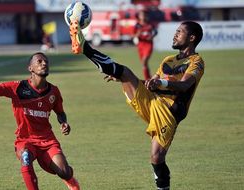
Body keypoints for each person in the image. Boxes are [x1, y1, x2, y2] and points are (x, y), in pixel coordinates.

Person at [70, 19, 204, 190]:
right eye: (176, 31)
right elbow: (151, 83)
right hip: (152, 101)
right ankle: (85, 48)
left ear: (192, 38)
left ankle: (163, 188)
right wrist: (123, 78)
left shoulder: (196, 62)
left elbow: (185, 85)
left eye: (180, 32)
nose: (175, 34)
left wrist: (160, 83)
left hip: (168, 112)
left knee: (156, 158)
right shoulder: (168, 60)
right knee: (124, 72)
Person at [0, 52, 80, 190]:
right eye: (39, 61)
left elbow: (60, 112)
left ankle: (70, 179)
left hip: (47, 140)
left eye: (46, 61)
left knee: (64, 172)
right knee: (26, 158)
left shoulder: (54, 91)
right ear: (30, 68)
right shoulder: (17, 88)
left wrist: (63, 122)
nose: (44, 63)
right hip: (25, 140)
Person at [134, 10, 158, 80]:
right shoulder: (137, 25)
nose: (143, 16)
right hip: (141, 45)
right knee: (144, 64)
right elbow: (133, 35)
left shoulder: (150, 24)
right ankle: (149, 78)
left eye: (144, 15)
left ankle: (147, 79)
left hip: (148, 44)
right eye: (141, 15)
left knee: (144, 61)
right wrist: (137, 34)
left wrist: (152, 36)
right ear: (139, 16)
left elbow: (156, 32)